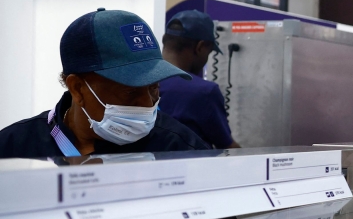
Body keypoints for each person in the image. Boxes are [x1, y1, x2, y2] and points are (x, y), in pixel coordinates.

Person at [0, 9, 210, 159]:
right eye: (129, 91)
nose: (148, 104)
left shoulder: (181, 150)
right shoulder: (14, 148)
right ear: (77, 88)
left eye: (154, 88)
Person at [159, 10, 239, 149]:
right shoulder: (204, 92)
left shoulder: (137, 81)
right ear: (200, 47)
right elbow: (227, 148)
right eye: (208, 52)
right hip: (188, 169)